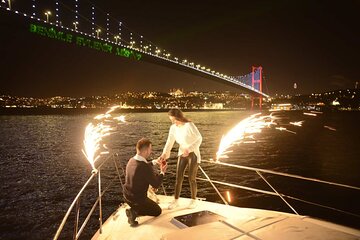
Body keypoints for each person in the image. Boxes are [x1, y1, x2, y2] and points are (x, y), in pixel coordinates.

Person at [160, 109, 202, 209]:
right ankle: (176, 200)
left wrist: (190, 148)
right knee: (178, 178)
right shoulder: (173, 128)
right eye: (171, 120)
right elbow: (169, 142)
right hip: (182, 153)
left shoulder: (189, 125)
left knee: (192, 178)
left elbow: (199, 138)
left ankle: (193, 200)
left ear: (179, 117)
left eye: (174, 119)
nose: (173, 122)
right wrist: (164, 154)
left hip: (193, 153)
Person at [123, 138, 167, 227]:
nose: (151, 151)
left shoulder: (131, 160)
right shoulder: (145, 167)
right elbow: (156, 184)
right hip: (137, 200)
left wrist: (154, 162)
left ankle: (134, 209)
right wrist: (162, 172)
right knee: (158, 211)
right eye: (150, 149)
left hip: (127, 197)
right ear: (146, 150)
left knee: (148, 203)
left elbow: (141, 167)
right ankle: (134, 212)